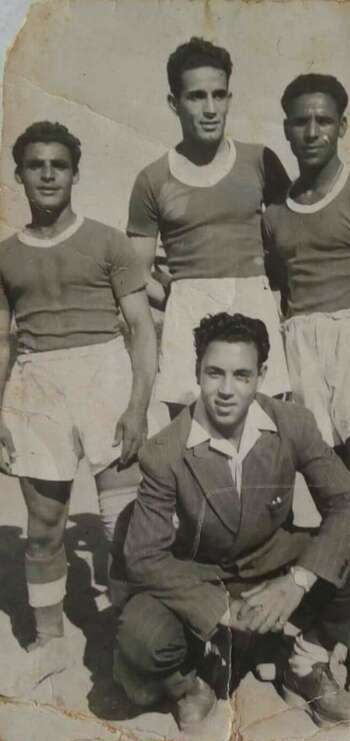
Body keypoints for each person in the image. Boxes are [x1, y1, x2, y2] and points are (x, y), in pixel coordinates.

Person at [114, 312, 350, 733]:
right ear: (197, 372)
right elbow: (143, 556)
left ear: (262, 375)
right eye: (214, 373)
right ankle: (190, 686)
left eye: (241, 375)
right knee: (140, 639)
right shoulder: (164, 451)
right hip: (204, 575)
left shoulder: (292, 422)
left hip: (275, 563)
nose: (226, 390)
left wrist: (297, 580)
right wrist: (220, 609)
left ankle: (305, 664)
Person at [0, 121, 157, 695]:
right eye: (35, 165)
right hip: (37, 385)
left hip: (105, 375)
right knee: (44, 528)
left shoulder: (108, 242)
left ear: (74, 174)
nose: (47, 175)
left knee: (125, 524)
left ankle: (130, 640)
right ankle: (49, 642)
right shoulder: (5, 255)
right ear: (19, 174)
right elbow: (2, 343)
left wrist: (137, 405)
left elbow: (141, 329)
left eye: (58, 165)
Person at [262, 74, 350, 673]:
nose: (312, 131)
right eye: (301, 121)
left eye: (324, 120)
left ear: (343, 125)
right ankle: (343, 613)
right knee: (331, 498)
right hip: (302, 344)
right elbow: (280, 285)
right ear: (287, 129)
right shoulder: (275, 214)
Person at [127, 37, 290, 418]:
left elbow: (292, 242)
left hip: (255, 308)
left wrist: (270, 295)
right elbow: (135, 274)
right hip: (189, 319)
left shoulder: (260, 161)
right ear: (174, 103)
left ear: (230, 98)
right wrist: (181, 298)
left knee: (265, 437)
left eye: (219, 95)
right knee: (194, 442)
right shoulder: (153, 179)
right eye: (197, 97)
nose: (211, 109)